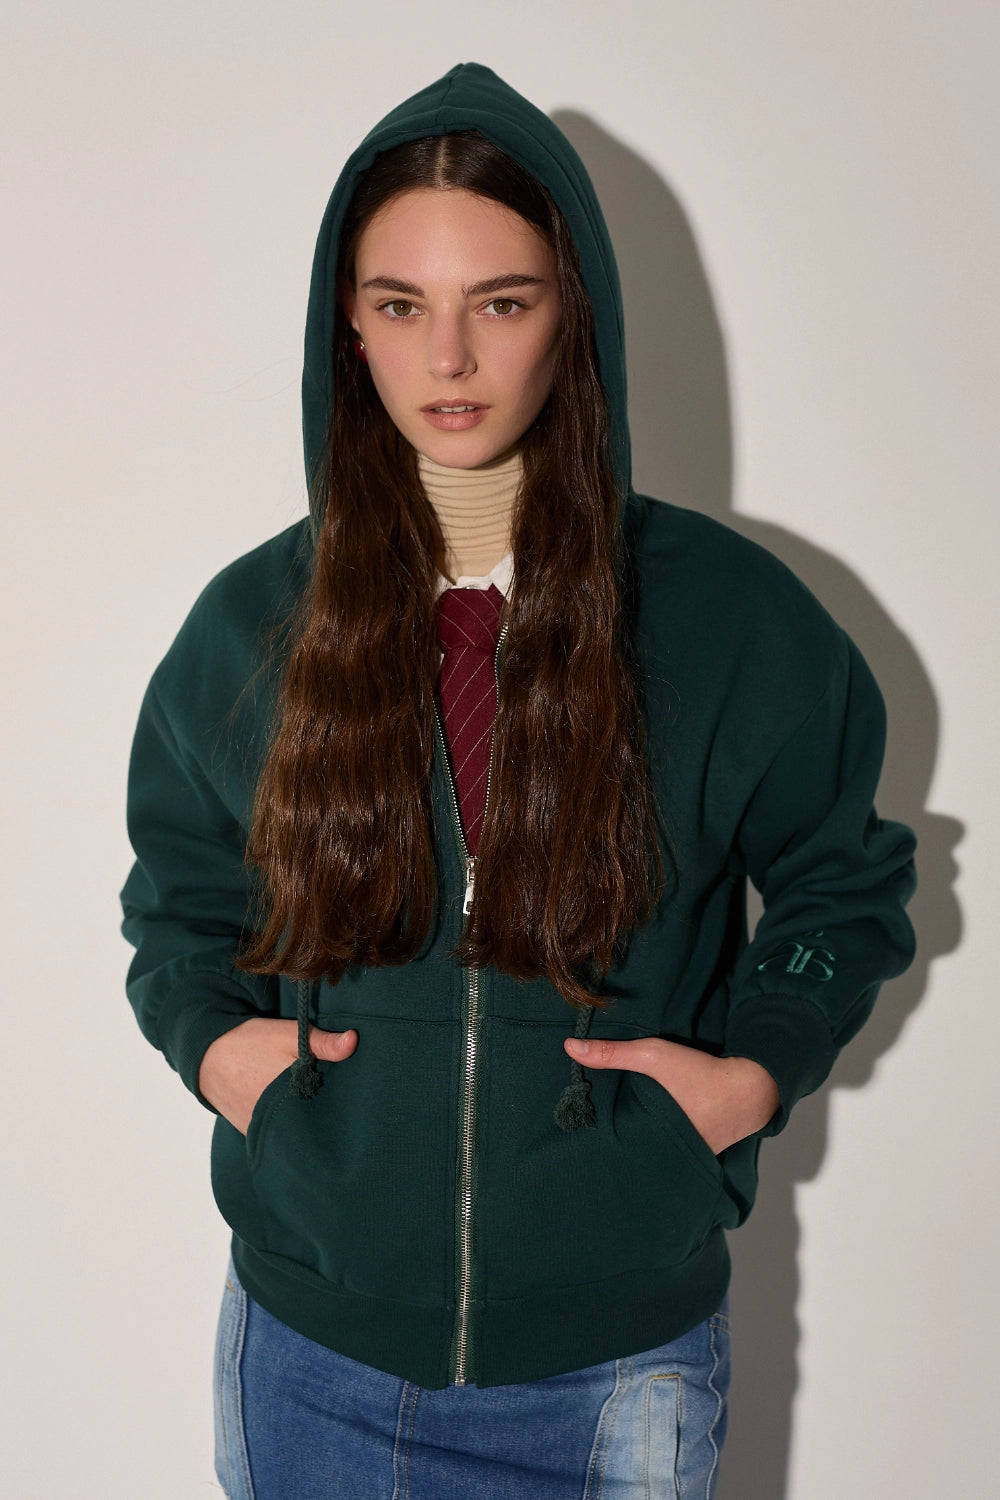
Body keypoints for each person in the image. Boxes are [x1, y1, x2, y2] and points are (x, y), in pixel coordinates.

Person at [121, 62, 916, 1500]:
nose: (449, 358)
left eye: (501, 302)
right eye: (399, 306)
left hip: (616, 1370)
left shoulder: (730, 621)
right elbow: (178, 907)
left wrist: (755, 1067)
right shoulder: (252, 630)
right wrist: (222, 1052)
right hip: (309, 1357)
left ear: (574, 315)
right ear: (347, 326)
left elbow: (843, 888)